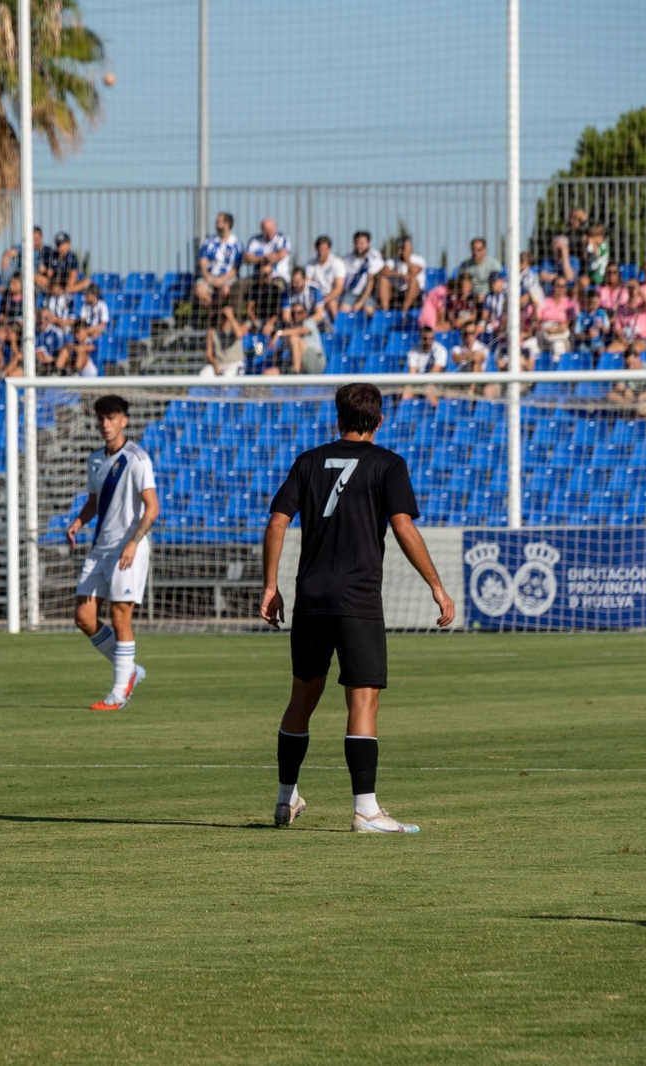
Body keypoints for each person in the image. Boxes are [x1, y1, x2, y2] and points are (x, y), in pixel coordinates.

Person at [260, 382, 455, 833]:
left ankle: (285, 798)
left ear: (338, 418)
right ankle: (366, 811)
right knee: (362, 700)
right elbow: (403, 527)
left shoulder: (308, 461)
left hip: (310, 597)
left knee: (301, 700)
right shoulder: (388, 464)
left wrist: (270, 586)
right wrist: (436, 586)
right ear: (380, 421)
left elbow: (276, 522)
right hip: (357, 599)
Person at [64, 394, 158, 711]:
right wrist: (78, 521)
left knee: (120, 617)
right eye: (101, 418)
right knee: (84, 617)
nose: (105, 424)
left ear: (124, 420)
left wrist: (133, 542)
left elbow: (152, 507)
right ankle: (129, 668)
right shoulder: (94, 459)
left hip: (127, 549)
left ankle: (119, 693)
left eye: (112, 417)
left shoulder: (137, 459)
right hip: (100, 548)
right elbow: (94, 502)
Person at [193, 212, 242, 311]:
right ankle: (215, 314)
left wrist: (221, 279)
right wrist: (208, 277)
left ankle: (215, 317)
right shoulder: (209, 242)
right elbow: (202, 261)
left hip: (227, 278)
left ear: (227, 224)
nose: (216, 223)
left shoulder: (236, 243)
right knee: (199, 290)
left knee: (225, 290)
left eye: (219, 221)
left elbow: (235, 269)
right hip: (210, 276)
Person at [379, 235, 425, 314]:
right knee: (383, 280)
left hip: (415, 294)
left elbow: (414, 271)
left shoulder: (418, 259)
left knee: (413, 280)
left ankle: (404, 311)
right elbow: (383, 272)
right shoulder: (393, 260)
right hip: (398, 293)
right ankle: (385, 312)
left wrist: (406, 258)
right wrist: (400, 275)